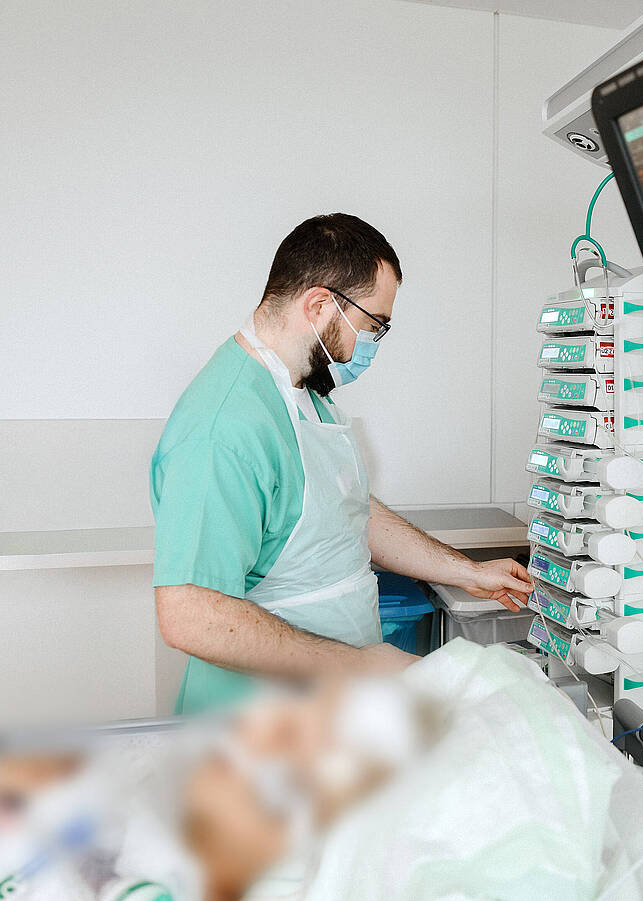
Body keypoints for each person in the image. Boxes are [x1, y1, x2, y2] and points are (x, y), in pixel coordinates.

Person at [150, 214, 532, 714]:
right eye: (373, 326)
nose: (372, 344)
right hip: (255, 722)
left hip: (327, 710)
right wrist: (357, 665)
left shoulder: (305, 391)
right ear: (319, 305)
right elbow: (190, 615)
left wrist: (467, 572)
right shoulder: (223, 430)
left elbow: (347, 511)